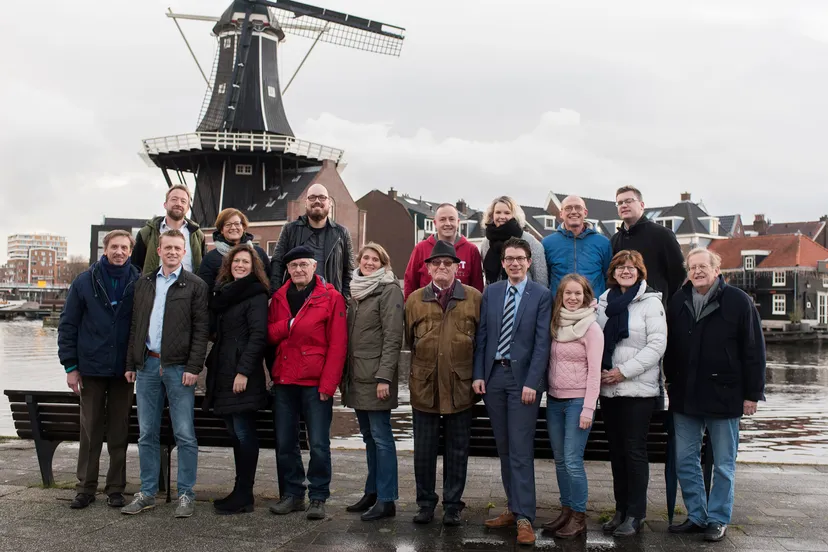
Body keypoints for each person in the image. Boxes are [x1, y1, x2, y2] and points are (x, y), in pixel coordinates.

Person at [664, 248, 766, 542]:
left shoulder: (738, 301)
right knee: (685, 459)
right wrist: (670, 380)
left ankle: (718, 518)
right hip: (685, 395)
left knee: (723, 464)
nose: (697, 272)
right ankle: (697, 515)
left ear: (716, 269)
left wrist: (752, 394)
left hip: (725, 394)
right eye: (692, 267)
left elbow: (754, 349)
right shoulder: (678, 301)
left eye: (702, 267)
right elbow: (670, 346)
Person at [121, 229, 209, 518]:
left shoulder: (195, 285)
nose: (172, 252)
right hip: (147, 365)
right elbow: (136, 326)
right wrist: (131, 363)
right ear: (158, 251)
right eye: (167, 247)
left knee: (184, 433)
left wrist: (194, 367)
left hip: (179, 368)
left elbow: (201, 331)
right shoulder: (144, 283)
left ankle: (186, 493)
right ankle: (147, 493)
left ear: (184, 252)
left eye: (177, 248)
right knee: (146, 432)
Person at [473, 237, 552, 546]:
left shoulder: (541, 295)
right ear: (503, 263)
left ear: (529, 262)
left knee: (520, 449)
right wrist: (479, 374)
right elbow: (482, 336)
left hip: (523, 382)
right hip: (494, 378)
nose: (515, 263)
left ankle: (525, 517)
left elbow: (542, 343)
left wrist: (533, 382)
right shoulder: (491, 292)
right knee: (504, 448)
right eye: (509, 259)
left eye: (520, 258)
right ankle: (513, 506)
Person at [57, 230, 140, 510]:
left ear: (130, 251)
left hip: (123, 371)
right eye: (114, 246)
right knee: (90, 430)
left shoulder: (139, 282)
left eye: (124, 247)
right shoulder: (84, 281)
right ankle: (85, 488)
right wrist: (70, 367)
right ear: (105, 250)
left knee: (119, 431)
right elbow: (68, 325)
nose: (119, 251)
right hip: (90, 368)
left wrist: (135, 363)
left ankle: (116, 488)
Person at [405, 240, 482, 526]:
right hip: (424, 386)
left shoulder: (474, 298)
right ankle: (425, 503)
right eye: (435, 263)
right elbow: (409, 341)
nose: (441, 267)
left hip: (460, 386)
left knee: (457, 450)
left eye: (447, 263)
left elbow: (481, 341)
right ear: (427, 268)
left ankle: (452, 505)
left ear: (457, 268)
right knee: (424, 450)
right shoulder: (414, 300)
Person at [267, 245, 347, 521]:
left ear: (314, 266)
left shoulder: (331, 297)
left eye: (304, 264)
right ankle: (292, 494)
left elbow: (338, 345)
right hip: (284, 379)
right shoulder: (279, 297)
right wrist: (289, 325)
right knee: (285, 442)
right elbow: (270, 334)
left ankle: (318, 496)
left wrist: (328, 385)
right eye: (293, 265)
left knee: (319, 444)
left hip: (315, 382)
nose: (299, 269)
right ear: (287, 270)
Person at [596, 250, 667, 537]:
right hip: (608, 389)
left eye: (631, 267)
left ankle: (636, 514)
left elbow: (657, 346)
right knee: (616, 451)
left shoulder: (651, 303)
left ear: (640, 272)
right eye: (620, 267)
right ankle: (621, 509)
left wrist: (623, 372)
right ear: (612, 272)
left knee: (634, 450)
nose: (626, 271)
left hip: (638, 390)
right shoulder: (603, 302)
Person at [203, 245, 271, 515]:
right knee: (234, 432)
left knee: (243, 432)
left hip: (242, 374)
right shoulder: (225, 293)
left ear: (254, 267)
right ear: (229, 265)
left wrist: (243, 371)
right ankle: (239, 490)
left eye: (245, 261)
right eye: (236, 261)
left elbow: (258, 336)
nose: (240, 265)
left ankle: (245, 494)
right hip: (223, 370)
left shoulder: (256, 294)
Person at [342, 243, 404, 522]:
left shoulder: (389, 290)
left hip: (376, 377)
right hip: (357, 376)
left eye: (375, 259)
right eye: (365, 258)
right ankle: (373, 491)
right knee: (369, 438)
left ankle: (387, 499)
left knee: (381, 438)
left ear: (383, 264)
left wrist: (384, 377)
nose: (369, 262)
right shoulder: (356, 291)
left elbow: (393, 337)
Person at [542, 274, 603, 538]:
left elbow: (595, 373)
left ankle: (579, 517)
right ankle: (566, 511)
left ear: (586, 296)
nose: (573, 298)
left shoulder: (592, 328)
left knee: (573, 461)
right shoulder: (555, 323)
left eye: (578, 293)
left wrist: (589, 408)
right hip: (555, 400)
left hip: (578, 402)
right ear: (561, 296)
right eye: (568, 293)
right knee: (559, 460)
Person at [269, 183, 355, 298]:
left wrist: (344, 301)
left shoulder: (342, 233)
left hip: (330, 301)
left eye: (322, 197)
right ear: (306, 203)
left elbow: (349, 271)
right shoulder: (290, 230)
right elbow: (277, 264)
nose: (317, 201)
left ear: (329, 202)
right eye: (312, 197)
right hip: (297, 302)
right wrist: (276, 297)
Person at [610, 186, 686, 307]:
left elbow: (678, 272)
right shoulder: (615, 240)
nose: (623, 205)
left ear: (642, 205)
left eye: (629, 201)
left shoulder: (662, 235)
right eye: (619, 203)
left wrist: (664, 298)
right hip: (623, 307)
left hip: (654, 306)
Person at [403, 203, 484, 300]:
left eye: (451, 219)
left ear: (458, 222)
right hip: (426, 307)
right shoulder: (421, 249)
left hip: (461, 308)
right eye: (442, 219)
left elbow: (477, 287)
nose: (448, 223)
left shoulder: (471, 250)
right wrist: (410, 306)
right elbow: (410, 283)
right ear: (435, 223)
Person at [542, 195, 612, 297]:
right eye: (568, 208)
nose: (574, 211)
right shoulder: (547, 243)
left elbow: (609, 277)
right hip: (559, 305)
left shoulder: (603, 243)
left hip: (593, 305)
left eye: (578, 208)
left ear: (585, 212)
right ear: (561, 214)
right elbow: (544, 279)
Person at [132, 184, 206, 275]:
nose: (178, 204)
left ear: (187, 208)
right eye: (174, 199)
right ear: (165, 204)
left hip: (189, 284)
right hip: (155, 284)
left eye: (183, 201)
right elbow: (135, 268)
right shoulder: (147, 233)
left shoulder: (197, 235)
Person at [197, 208, 270, 298]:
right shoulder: (210, 258)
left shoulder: (259, 253)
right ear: (221, 230)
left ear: (243, 227)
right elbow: (204, 290)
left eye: (237, 224)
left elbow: (268, 280)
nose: (233, 228)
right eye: (228, 224)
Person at [479, 196, 548, 288]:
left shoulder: (530, 242)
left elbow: (541, 279)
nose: (502, 216)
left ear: (514, 215)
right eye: (498, 212)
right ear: (492, 215)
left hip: (525, 294)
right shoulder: (486, 243)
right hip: (495, 294)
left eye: (507, 213)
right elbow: (487, 279)